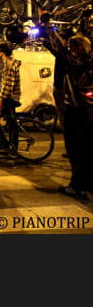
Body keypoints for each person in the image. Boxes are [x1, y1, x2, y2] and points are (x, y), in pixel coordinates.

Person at [47, 33, 93, 200]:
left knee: (75, 150)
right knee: (87, 150)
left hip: (77, 111)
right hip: (89, 111)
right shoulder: (89, 61)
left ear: (79, 48)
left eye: (73, 47)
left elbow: (60, 53)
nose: (70, 50)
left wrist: (50, 29)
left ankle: (77, 187)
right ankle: (88, 183)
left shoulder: (77, 64)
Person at [0, 41, 21, 151]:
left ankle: (9, 147)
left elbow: (8, 84)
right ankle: (5, 144)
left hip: (8, 98)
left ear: (1, 52)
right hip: (10, 97)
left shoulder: (9, 65)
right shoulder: (10, 63)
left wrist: (1, 98)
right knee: (9, 122)